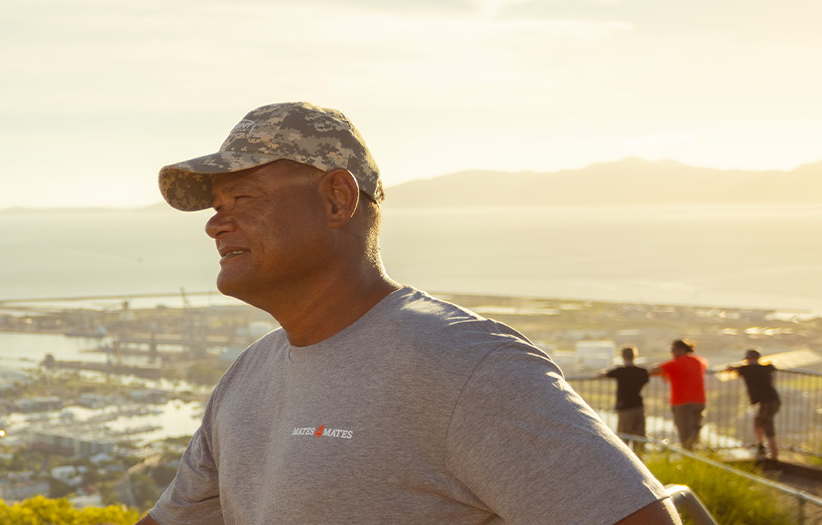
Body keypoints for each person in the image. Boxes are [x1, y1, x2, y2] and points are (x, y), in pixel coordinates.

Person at [138, 102, 674, 524]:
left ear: (336, 200)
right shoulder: (246, 378)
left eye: (243, 198)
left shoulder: (465, 366)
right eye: (216, 208)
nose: (215, 225)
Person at [651, 339, 709, 450]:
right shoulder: (699, 361)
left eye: (672, 350)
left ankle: (689, 459)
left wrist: (666, 373)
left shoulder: (675, 363)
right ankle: (696, 456)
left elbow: (654, 370)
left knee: (685, 436)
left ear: (680, 350)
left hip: (682, 403)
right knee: (695, 433)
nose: (671, 353)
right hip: (700, 401)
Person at [725, 349, 781, 460]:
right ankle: (761, 446)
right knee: (758, 422)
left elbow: (729, 370)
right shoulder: (766, 368)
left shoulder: (746, 369)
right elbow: (773, 371)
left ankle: (774, 456)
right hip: (772, 400)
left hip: (767, 402)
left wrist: (732, 368)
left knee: (767, 426)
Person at [603, 347, 652, 453]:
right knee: (640, 439)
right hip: (639, 407)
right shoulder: (642, 372)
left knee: (623, 438)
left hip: (625, 408)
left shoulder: (620, 371)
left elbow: (601, 374)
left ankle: (624, 463)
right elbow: (646, 379)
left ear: (623, 356)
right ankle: (640, 462)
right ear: (635, 356)